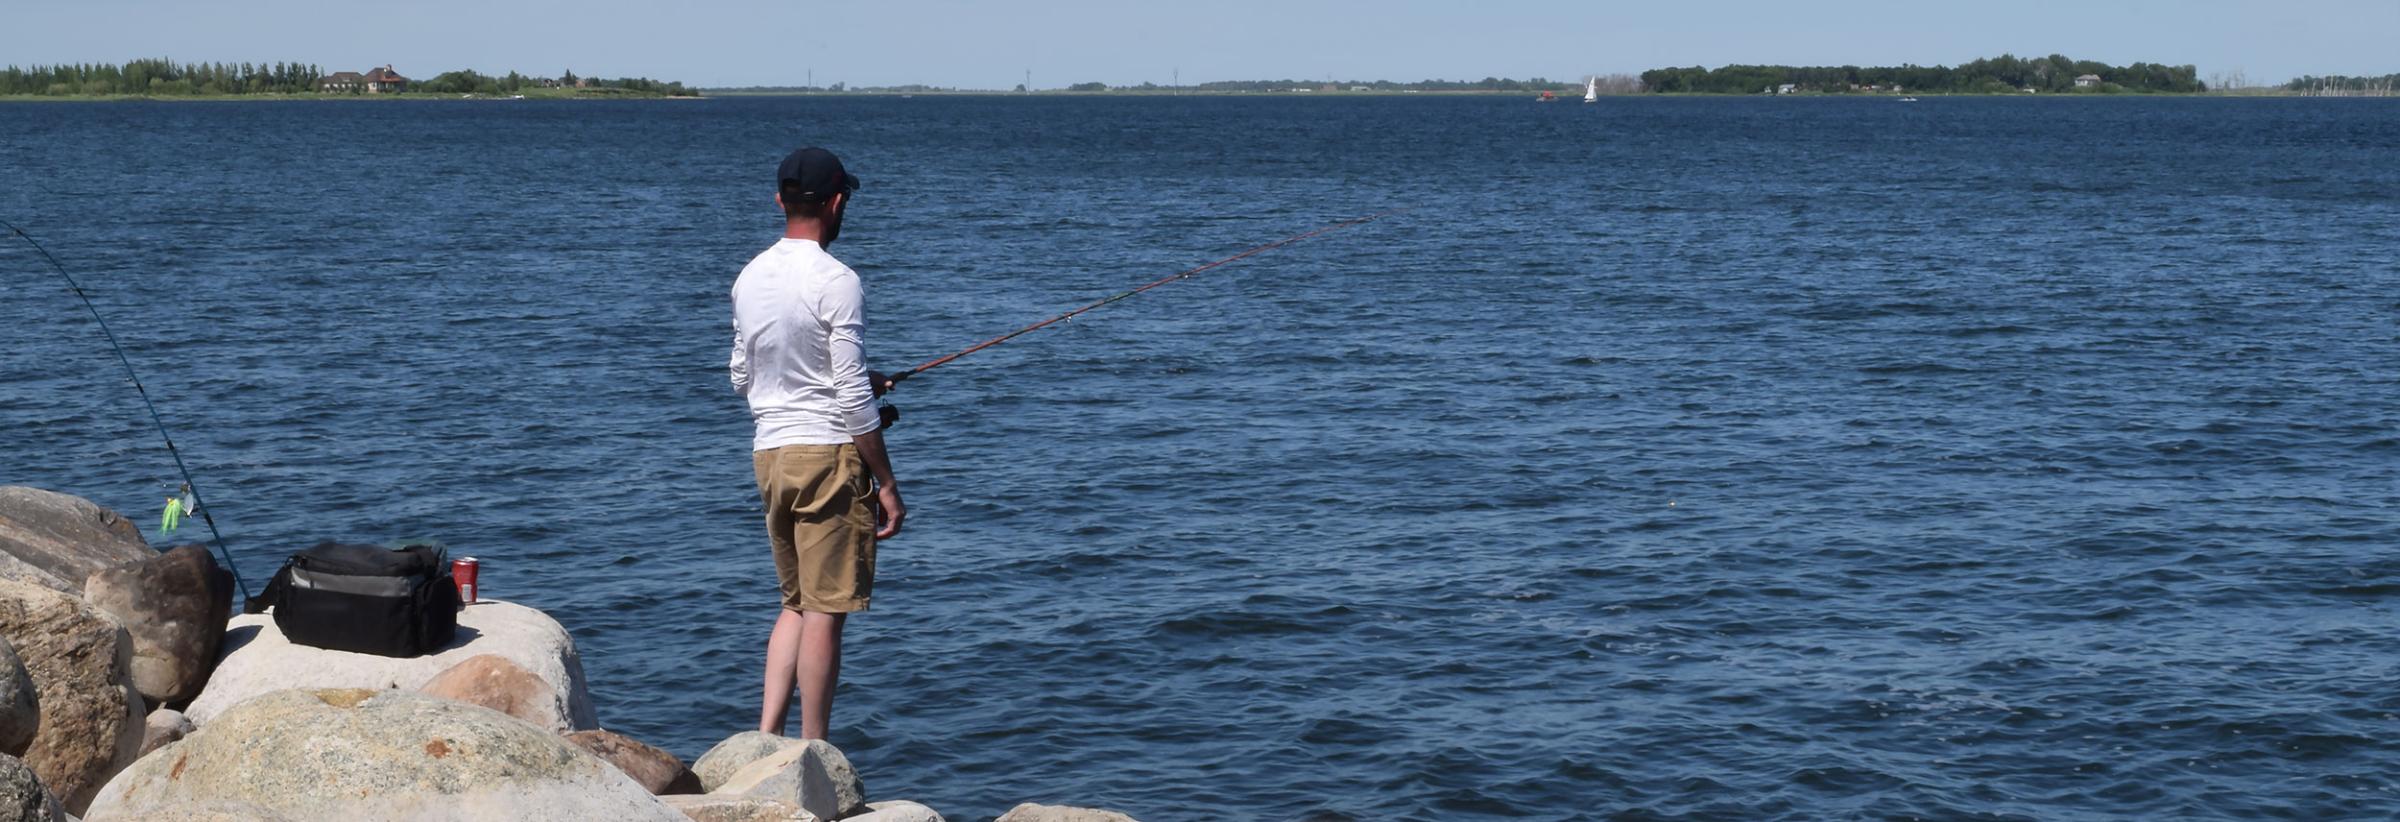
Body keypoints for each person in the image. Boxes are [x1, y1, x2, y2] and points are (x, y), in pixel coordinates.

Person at [729, 146, 905, 740]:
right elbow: (854, 399)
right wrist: (887, 483)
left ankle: (766, 737)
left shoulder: (750, 276)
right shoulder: (838, 281)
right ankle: (814, 751)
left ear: (781, 200)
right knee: (826, 612)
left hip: (769, 454)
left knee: (796, 603)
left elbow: (741, 375)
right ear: (835, 204)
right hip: (828, 456)